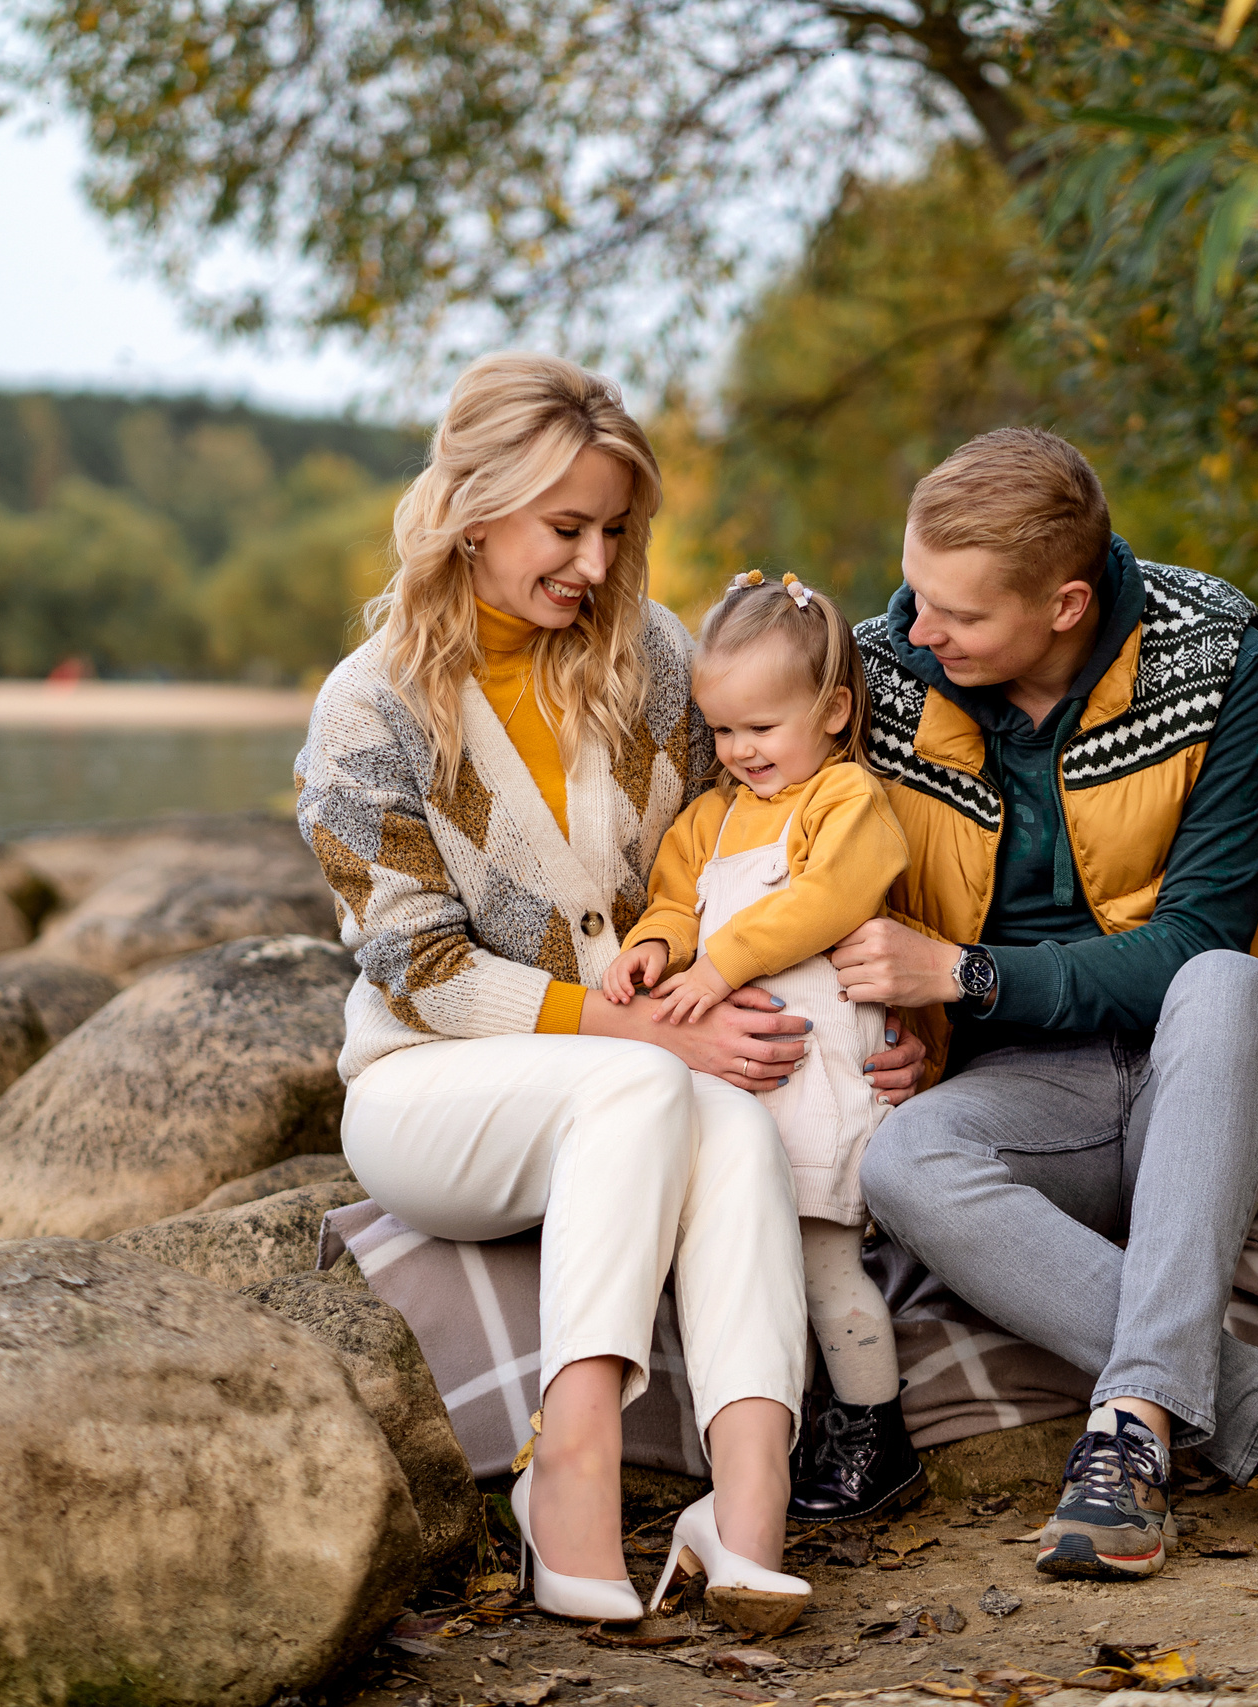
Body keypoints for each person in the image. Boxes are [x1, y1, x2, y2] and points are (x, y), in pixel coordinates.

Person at [295, 353, 902, 1634]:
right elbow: (418, 967)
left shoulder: (656, 659)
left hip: (643, 1070)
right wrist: (642, 1024)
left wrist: (891, 1022)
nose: (593, 560)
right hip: (431, 1087)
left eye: (614, 530)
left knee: (733, 1123)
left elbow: (761, 839)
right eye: (564, 527)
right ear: (470, 507)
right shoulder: (368, 712)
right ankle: (564, 1468)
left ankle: (744, 1516)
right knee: (649, 1081)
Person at [828, 427, 1258, 1581]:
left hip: (1222, 1057)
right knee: (902, 1162)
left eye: (955, 616)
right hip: (1027, 1082)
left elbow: (1196, 942)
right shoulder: (878, 676)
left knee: (1216, 979)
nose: (915, 632)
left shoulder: (1215, 650)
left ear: (1062, 605)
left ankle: (1127, 1444)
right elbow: (793, 862)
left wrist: (962, 975)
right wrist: (897, 1028)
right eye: (913, 593)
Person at [602, 570, 927, 1530]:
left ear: (832, 712)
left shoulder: (845, 799)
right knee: (751, 1263)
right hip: (737, 1090)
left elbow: (827, 899)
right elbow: (672, 899)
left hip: (816, 1073)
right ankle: (768, 1437)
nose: (740, 752)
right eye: (724, 731)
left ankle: (877, 1432)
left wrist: (723, 962)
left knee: (826, 1265)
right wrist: (654, 949)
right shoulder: (708, 817)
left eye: (762, 729)